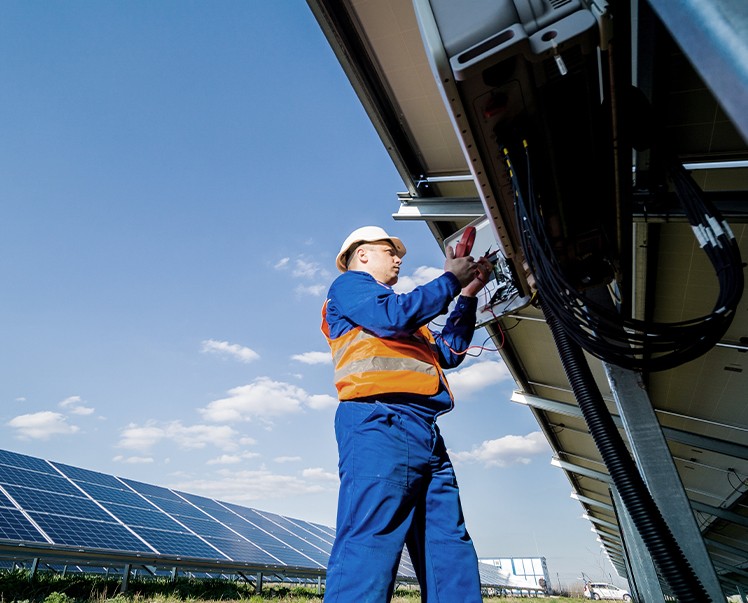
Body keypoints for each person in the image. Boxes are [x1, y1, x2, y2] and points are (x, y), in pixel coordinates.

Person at [321, 225, 492, 602]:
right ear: (362, 254)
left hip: (425, 431)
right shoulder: (351, 287)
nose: (399, 259)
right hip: (379, 421)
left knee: (448, 544)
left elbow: (448, 352)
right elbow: (393, 316)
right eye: (390, 251)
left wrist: (466, 294)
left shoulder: (408, 319)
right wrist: (450, 279)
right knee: (370, 541)